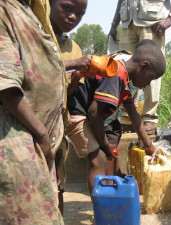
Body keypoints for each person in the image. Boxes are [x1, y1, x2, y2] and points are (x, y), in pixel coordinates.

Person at [66, 39, 166, 194]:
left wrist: (149, 146)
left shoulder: (124, 79)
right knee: (98, 159)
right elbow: (94, 113)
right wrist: (105, 146)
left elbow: (134, 115)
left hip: (83, 113)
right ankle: (103, 213)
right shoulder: (116, 75)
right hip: (74, 112)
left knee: (108, 149)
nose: (147, 84)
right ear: (144, 66)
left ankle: (109, 195)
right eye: (150, 79)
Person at [0, 0, 64, 224]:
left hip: (35, 140)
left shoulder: (28, 11)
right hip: (16, 141)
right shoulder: (4, 10)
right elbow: (6, 87)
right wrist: (41, 133)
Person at [109, 0, 171, 135]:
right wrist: (114, 23)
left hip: (152, 22)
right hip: (127, 21)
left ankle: (149, 117)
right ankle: (127, 118)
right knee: (125, 69)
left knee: (151, 70)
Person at [49, 0, 91, 215]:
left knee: (58, 185)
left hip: (57, 127)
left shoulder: (73, 47)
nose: (73, 17)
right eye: (66, 8)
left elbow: (71, 94)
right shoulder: (36, 35)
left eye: (80, 14)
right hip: (32, 127)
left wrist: (75, 80)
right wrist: (73, 64)